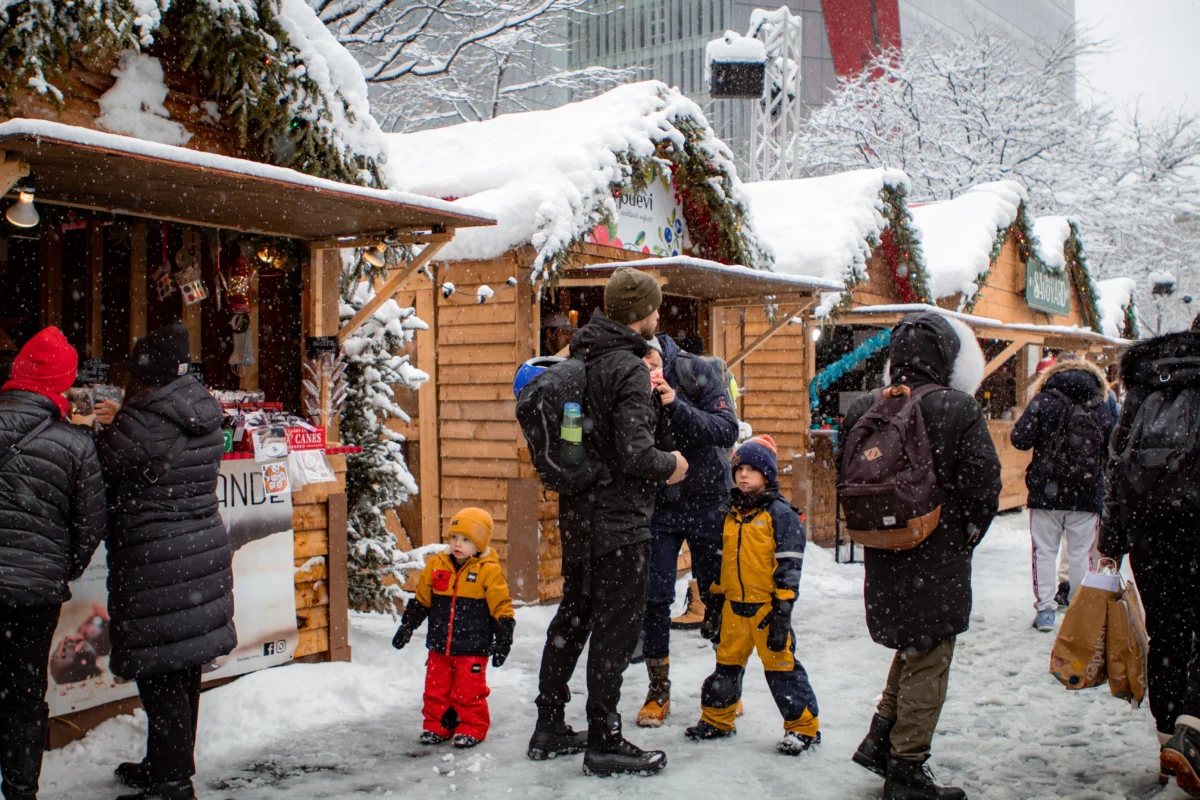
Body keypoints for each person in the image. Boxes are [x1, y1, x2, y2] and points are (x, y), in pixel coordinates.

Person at [528, 267, 688, 777]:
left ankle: (550, 724)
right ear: (643, 312)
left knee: (573, 619)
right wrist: (673, 464)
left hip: (579, 515)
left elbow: (586, 439)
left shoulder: (584, 355)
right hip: (620, 521)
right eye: (655, 307)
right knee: (616, 631)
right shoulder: (628, 368)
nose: (658, 314)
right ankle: (605, 739)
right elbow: (636, 453)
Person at [840, 312, 1001, 800]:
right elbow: (983, 483)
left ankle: (880, 739)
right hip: (937, 545)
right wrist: (965, 533)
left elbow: (844, 475)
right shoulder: (956, 406)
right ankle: (907, 768)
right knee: (931, 652)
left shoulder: (866, 407)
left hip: (883, 545)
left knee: (914, 644)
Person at [95, 323, 234, 800]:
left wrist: (102, 426)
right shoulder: (201, 410)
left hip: (156, 559)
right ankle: (166, 765)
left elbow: (100, 467)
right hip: (196, 552)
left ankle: (172, 784)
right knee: (182, 670)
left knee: (161, 674)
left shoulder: (139, 422)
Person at [0, 327, 107, 800]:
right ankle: (21, 791)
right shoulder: (75, 444)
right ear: (62, 384)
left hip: (31, 586)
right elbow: (91, 522)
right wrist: (61, 568)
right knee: (24, 694)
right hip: (34, 596)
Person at [1098, 318, 1200, 796]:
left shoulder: (1148, 375)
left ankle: (1167, 745)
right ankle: (1192, 730)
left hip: (1149, 527)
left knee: (1168, 635)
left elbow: (1117, 461)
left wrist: (1112, 540)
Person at [684, 435, 819, 755]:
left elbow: (789, 564)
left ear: (767, 474)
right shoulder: (728, 513)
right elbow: (720, 562)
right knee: (725, 667)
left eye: (752, 469)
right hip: (733, 608)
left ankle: (802, 728)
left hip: (766, 611)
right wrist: (714, 603)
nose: (744, 474)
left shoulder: (780, 514)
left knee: (782, 669)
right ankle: (717, 720)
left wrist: (783, 608)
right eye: (739, 469)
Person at [636, 330, 738, 727]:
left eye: (650, 362)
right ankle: (658, 690)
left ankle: (727, 683)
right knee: (655, 597)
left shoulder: (694, 370)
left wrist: (676, 404)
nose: (646, 368)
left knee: (717, 594)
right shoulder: (626, 376)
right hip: (659, 504)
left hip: (708, 499)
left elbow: (726, 429)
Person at [391, 508, 515, 748]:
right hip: (439, 646)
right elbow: (422, 600)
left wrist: (503, 640)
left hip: (473, 648)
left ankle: (471, 728)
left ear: (479, 544)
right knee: (435, 690)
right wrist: (407, 626)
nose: (458, 544)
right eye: (454, 537)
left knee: (469, 691)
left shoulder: (488, 571)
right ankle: (437, 726)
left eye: (466, 539)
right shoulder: (436, 566)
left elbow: (501, 607)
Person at [1010, 353, 1116, 631]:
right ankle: (1079, 613)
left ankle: (1046, 611)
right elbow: (1114, 445)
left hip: (1046, 492)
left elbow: (1019, 439)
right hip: (1088, 492)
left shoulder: (1044, 399)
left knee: (1044, 553)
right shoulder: (1101, 402)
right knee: (1081, 554)